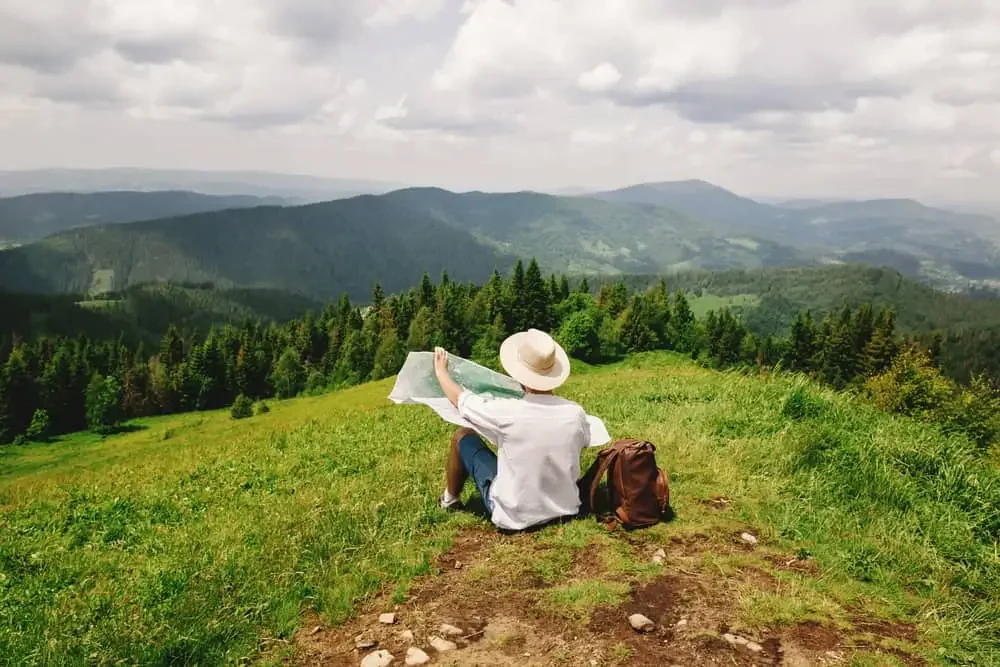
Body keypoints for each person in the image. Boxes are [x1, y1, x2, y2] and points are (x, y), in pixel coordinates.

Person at [433, 328, 590, 532]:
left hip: (514, 517)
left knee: (463, 436)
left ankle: (449, 499)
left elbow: (461, 401)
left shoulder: (507, 412)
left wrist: (441, 372)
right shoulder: (575, 412)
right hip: (566, 509)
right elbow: (585, 440)